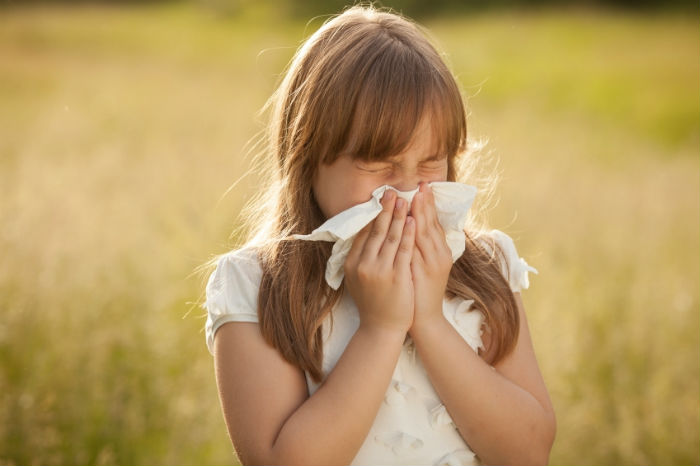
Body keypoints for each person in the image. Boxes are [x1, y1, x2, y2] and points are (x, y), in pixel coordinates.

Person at [203, 5, 556, 465]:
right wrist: (382, 329)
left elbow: (529, 452)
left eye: (431, 163)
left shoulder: (483, 269)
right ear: (307, 159)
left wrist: (429, 321)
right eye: (379, 165)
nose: (408, 191)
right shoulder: (256, 286)